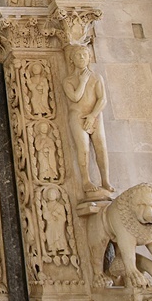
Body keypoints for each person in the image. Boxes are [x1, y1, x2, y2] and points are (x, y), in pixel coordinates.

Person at [62, 44, 113, 195]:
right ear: (71, 59)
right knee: (83, 148)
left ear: (89, 57)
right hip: (77, 115)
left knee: (101, 147)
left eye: (85, 55)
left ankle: (105, 180)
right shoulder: (69, 80)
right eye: (78, 55)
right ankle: (86, 180)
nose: (82, 58)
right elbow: (75, 97)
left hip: (95, 115)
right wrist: (83, 81)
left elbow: (102, 99)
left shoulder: (97, 77)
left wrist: (92, 115)